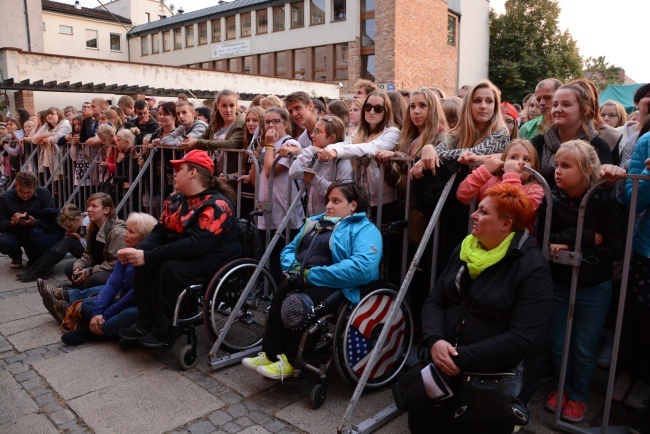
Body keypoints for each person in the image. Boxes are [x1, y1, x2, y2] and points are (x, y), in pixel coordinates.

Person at [409, 182, 553, 434]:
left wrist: (458, 357)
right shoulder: (466, 248)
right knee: (420, 424)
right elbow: (436, 300)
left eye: (484, 212)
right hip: (447, 366)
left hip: (491, 381)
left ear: (506, 225)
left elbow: (520, 338)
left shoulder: (532, 268)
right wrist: (434, 341)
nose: (474, 215)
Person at [242, 181, 382, 379]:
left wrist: (311, 275)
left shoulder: (365, 230)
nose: (328, 206)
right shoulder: (315, 222)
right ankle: (271, 355)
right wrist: (295, 269)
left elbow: (362, 268)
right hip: (304, 276)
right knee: (281, 294)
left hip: (338, 284)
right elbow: (289, 250)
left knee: (301, 303)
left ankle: (290, 361)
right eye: (328, 201)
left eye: (336, 201)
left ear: (354, 204)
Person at [117, 150, 241, 347]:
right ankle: (144, 323)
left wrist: (148, 256)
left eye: (179, 169)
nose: (174, 173)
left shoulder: (217, 205)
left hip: (214, 255)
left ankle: (163, 331)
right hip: (187, 250)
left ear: (193, 172)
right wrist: (141, 251)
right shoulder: (176, 200)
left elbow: (196, 246)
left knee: (169, 268)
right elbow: (159, 230)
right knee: (144, 262)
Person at [546, 140, 625, 423]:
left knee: (583, 346)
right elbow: (547, 239)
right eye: (556, 164)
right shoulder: (551, 196)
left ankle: (578, 395)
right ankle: (561, 387)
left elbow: (615, 248)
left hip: (594, 287)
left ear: (587, 170)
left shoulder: (605, 200)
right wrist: (581, 237)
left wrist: (579, 250)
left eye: (566, 166)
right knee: (557, 343)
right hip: (558, 283)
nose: (557, 171)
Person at [59, 212, 158, 346]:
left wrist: (105, 315)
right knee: (88, 304)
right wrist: (97, 312)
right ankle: (111, 329)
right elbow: (112, 284)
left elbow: (133, 296)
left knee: (131, 314)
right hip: (121, 299)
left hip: (140, 307)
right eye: (127, 229)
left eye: (131, 232)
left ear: (144, 238)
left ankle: (92, 332)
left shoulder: (148, 260)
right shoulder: (125, 252)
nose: (125, 234)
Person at [38, 192, 126, 323]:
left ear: (106, 210)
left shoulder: (117, 231)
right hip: (99, 265)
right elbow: (88, 254)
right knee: (69, 268)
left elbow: (115, 263)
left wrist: (89, 272)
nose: (89, 209)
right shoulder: (92, 226)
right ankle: (74, 293)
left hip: (115, 272)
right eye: (88, 205)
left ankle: (69, 300)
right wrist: (79, 267)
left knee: (93, 279)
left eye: (94, 206)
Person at [320, 91, 401, 217]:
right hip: (362, 198)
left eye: (378, 108)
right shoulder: (360, 132)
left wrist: (336, 152)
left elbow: (371, 147)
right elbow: (347, 144)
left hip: (384, 201)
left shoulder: (393, 132)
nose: (372, 112)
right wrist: (328, 148)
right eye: (368, 107)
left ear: (386, 112)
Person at [249, 107, 305, 283]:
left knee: (283, 254)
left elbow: (270, 171)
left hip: (285, 209)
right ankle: (269, 289)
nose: (271, 125)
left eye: (276, 121)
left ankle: (281, 293)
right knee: (269, 255)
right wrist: (257, 154)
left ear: (286, 124)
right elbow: (255, 179)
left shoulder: (290, 144)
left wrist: (270, 145)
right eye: (267, 122)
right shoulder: (267, 145)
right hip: (267, 206)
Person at [619, 121, 650, 430]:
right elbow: (633, 200)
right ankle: (633, 376)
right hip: (646, 252)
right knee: (639, 323)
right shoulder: (648, 141)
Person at [530, 81, 612, 188]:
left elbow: (605, 187)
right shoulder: (539, 142)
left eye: (566, 105)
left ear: (584, 110)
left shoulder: (598, 146)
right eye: (555, 105)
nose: (558, 109)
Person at [457, 139, 544, 234]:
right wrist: (484, 170)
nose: (519, 162)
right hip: (485, 238)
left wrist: (511, 175)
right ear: (503, 162)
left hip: (514, 244)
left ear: (533, 167)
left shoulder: (535, 190)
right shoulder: (492, 181)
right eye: (513, 157)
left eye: (526, 159)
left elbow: (515, 215)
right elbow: (463, 194)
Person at [289, 116, 353, 216]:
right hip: (314, 218)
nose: (312, 135)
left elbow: (343, 191)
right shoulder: (313, 154)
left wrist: (315, 180)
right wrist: (310, 150)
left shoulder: (342, 159)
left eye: (317, 131)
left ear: (332, 137)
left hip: (334, 220)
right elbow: (293, 172)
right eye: (313, 130)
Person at [0, 171, 64, 269]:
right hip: (15, 232)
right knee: (4, 242)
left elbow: (52, 219)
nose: (25, 195)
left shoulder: (43, 193)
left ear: (35, 187)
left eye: (29, 192)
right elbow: (1, 223)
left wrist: (35, 222)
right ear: (16, 185)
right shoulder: (5, 198)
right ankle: (16, 255)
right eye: (22, 192)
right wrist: (13, 222)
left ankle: (38, 258)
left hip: (36, 231)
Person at [17, 204, 89, 282]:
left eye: (70, 226)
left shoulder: (87, 225)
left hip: (93, 257)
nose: (68, 229)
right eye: (67, 227)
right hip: (87, 253)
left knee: (68, 241)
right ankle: (36, 268)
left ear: (78, 219)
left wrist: (79, 237)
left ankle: (41, 269)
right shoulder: (80, 221)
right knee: (65, 240)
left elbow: (92, 247)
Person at [181, 89, 246, 175]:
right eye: (224, 106)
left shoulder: (242, 124)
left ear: (236, 105)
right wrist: (192, 141)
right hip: (214, 171)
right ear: (217, 105)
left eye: (231, 106)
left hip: (231, 174)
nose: (228, 110)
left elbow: (230, 144)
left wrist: (197, 141)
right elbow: (202, 138)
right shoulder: (215, 122)